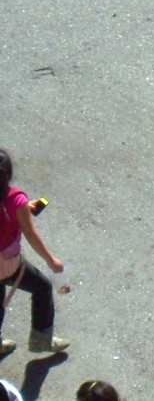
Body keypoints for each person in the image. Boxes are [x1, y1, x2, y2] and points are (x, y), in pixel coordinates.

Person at [0, 147, 70, 354]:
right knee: (42, 287)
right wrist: (51, 260)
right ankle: (41, 340)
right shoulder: (16, 200)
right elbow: (31, 234)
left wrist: (21, 209)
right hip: (7, 264)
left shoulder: (17, 204)